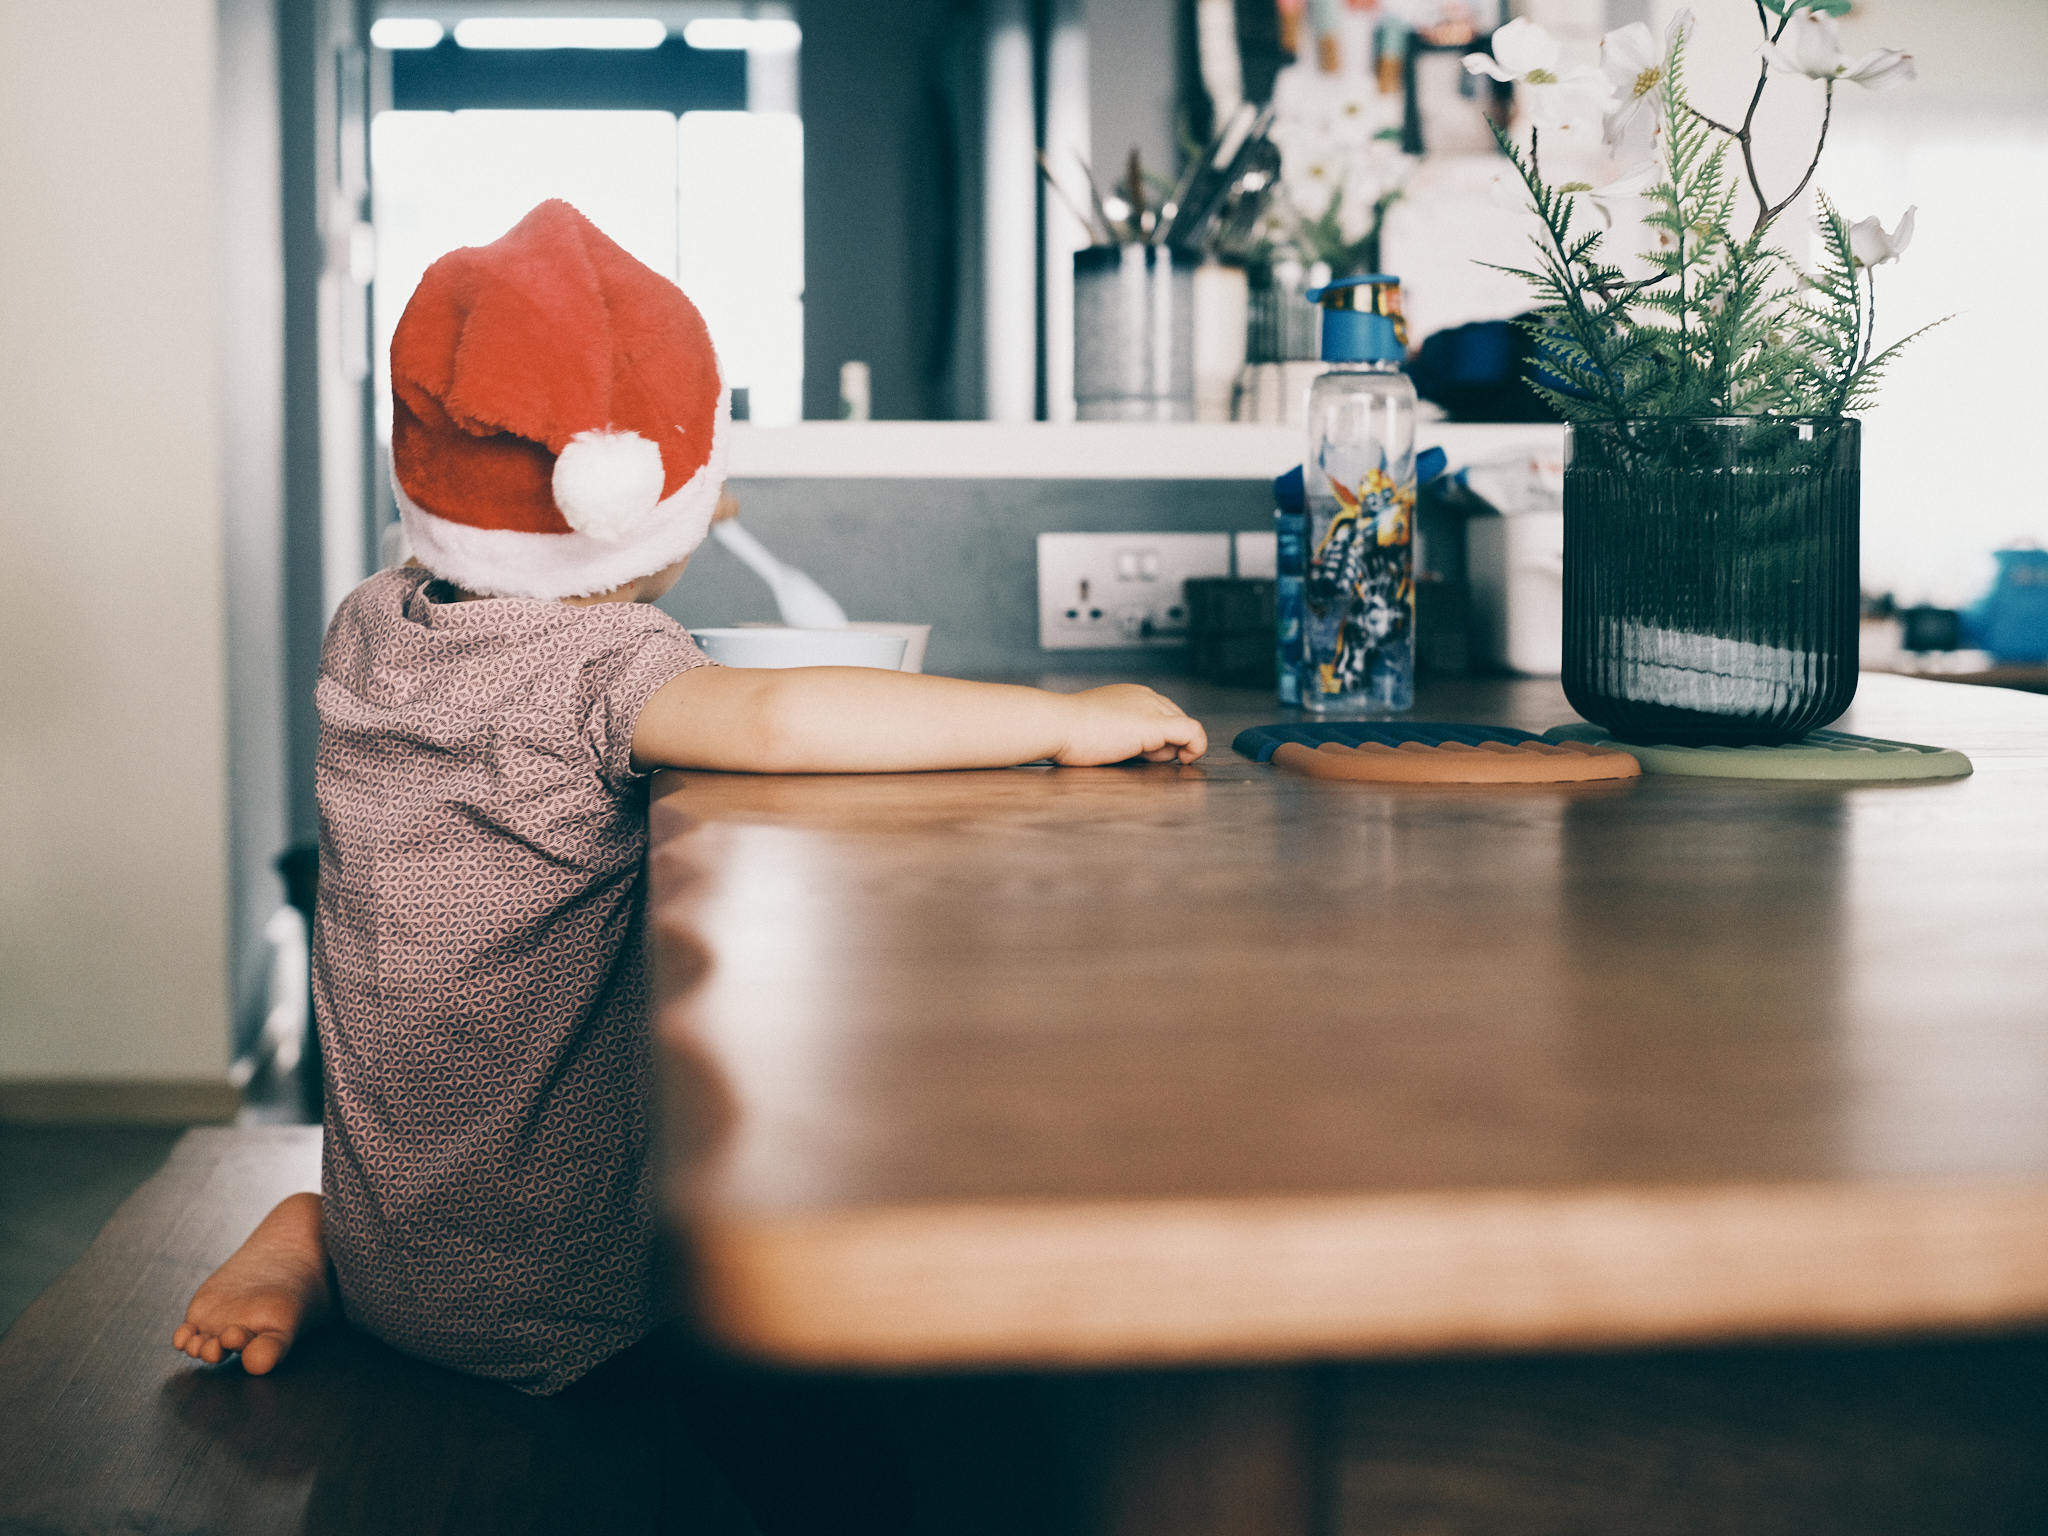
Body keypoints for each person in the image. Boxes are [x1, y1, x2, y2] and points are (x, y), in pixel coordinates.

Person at [170, 200, 1203, 1519]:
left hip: (396, 1239)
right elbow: (778, 716)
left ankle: (320, 1241)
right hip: (558, 1302)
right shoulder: (599, 668)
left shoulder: (374, 626)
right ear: (630, 503)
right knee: (842, 1321)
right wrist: (1065, 722)